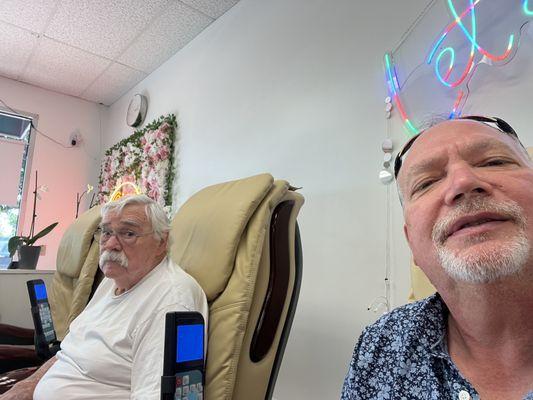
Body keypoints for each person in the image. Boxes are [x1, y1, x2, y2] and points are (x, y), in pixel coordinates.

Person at [341, 116, 533, 400]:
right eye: (427, 182)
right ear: (413, 245)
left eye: (494, 162)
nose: (463, 182)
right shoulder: (381, 345)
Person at [1, 194, 208, 400]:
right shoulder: (113, 281)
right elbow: (68, 352)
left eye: (128, 233)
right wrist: (29, 385)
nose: (110, 244)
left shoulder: (171, 300)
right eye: (107, 232)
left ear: (161, 242)